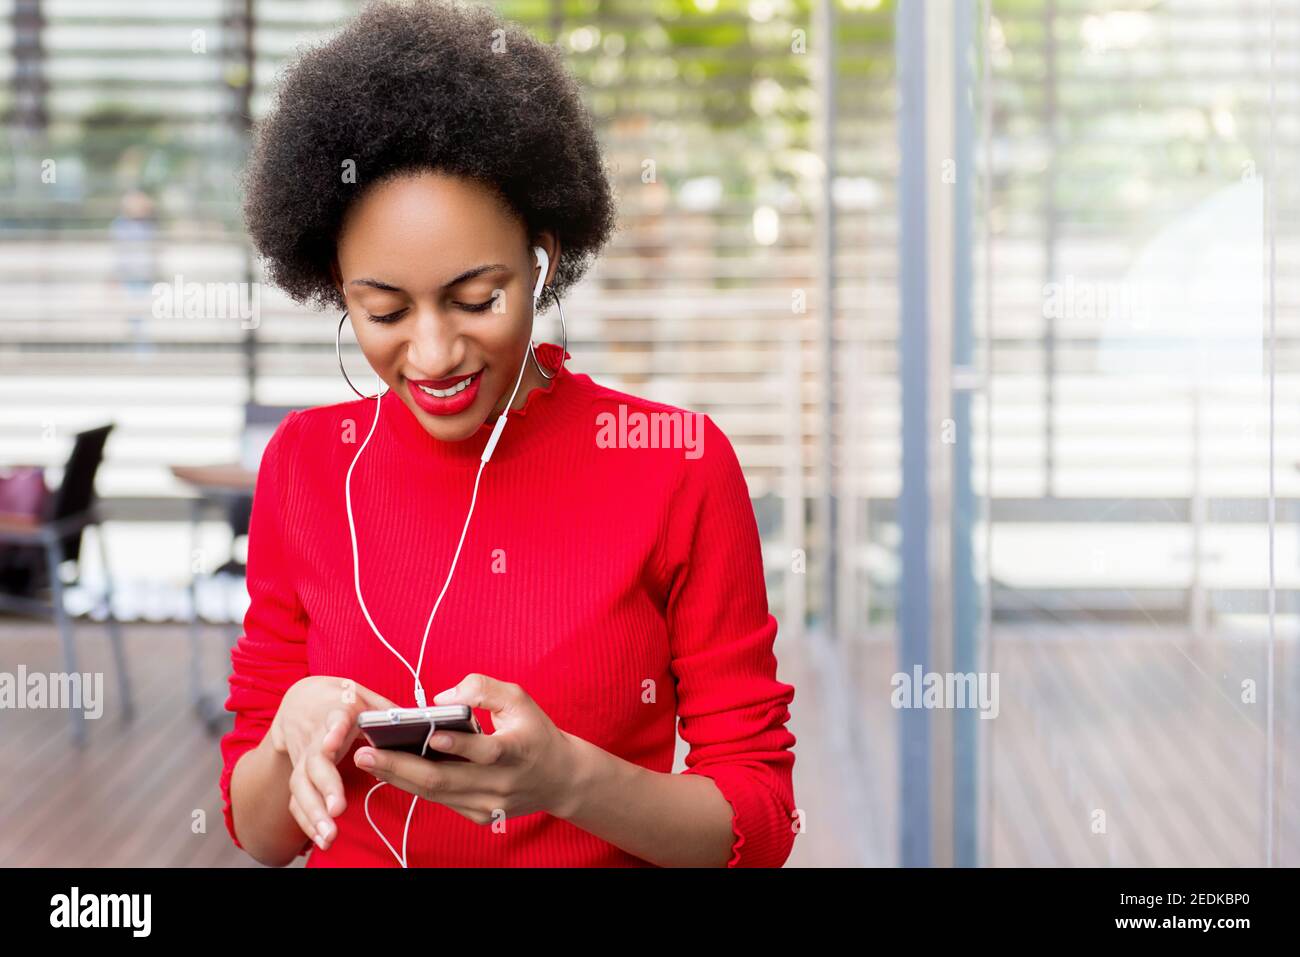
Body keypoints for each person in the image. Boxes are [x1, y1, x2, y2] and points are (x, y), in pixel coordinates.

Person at [220, 0, 796, 868]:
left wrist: (567, 778)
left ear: (543, 258)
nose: (433, 351)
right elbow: (262, 835)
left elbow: (759, 822)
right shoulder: (305, 466)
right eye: (382, 310)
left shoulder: (675, 466)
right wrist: (290, 733)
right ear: (334, 286)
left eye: (476, 297)